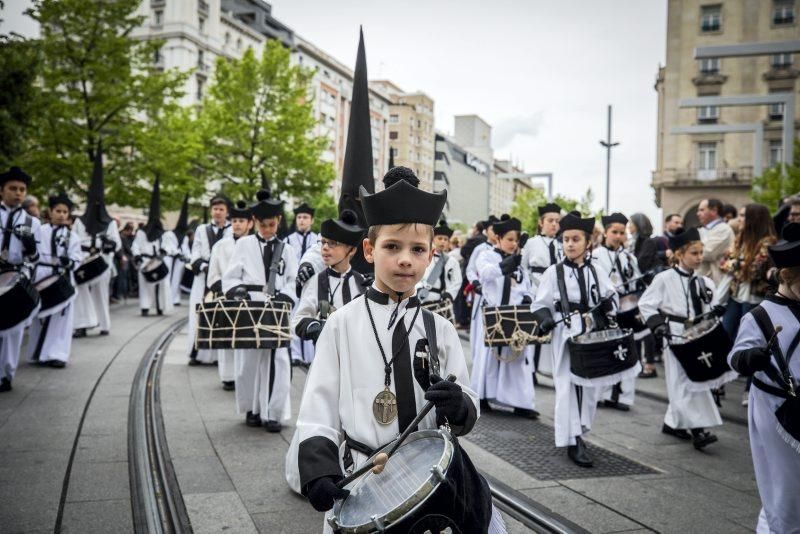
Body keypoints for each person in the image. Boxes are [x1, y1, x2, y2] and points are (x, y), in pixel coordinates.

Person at [293, 167, 501, 532]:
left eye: (417, 249)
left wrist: (458, 403)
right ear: (370, 250)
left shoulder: (442, 329)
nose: (405, 259)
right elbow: (318, 408)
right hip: (364, 479)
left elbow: (468, 404)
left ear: (430, 256)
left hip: (433, 481)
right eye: (393, 246)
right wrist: (318, 469)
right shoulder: (341, 324)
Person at [727, 222, 800, 534]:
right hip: (773, 406)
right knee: (782, 479)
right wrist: (750, 358)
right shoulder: (760, 315)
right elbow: (735, 356)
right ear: (788, 276)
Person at [533, 214, 618, 467]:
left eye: (575, 239)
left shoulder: (597, 271)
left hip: (591, 334)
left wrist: (605, 308)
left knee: (590, 387)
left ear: (587, 243)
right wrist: (545, 318)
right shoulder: (553, 272)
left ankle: (580, 429)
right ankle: (572, 439)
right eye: (566, 240)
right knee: (568, 385)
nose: (570, 244)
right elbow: (540, 303)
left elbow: (610, 297)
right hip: (566, 335)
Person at [638, 228, 726, 450]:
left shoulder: (704, 282)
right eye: (694, 253)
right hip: (675, 334)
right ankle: (698, 431)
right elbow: (646, 303)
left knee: (695, 379)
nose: (699, 258)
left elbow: (712, 304)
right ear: (679, 254)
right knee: (683, 381)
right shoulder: (664, 278)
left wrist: (715, 312)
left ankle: (672, 424)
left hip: (699, 335)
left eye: (700, 253)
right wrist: (657, 325)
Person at [222, 189, 297, 433]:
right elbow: (231, 276)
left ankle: (273, 413)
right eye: (263, 225)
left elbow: (293, 280)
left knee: (278, 361)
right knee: (248, 362)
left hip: (276, 309)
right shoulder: (243, 244)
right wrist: (238, 291)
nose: (267, 229)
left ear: (279, 222)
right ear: (255, 222)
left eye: (272, 225)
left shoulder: (286, 249)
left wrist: (285, 296)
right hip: (250, 307)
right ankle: (252, 409)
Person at [471, 215, 538, 418]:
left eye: (516, 240)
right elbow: (485, 274)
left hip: (515, 315)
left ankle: (521, 402)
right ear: (498, 238)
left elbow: (526, 283)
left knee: (517, 357)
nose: (513, 243)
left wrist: (527, 297)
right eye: (509, 239)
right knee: (489, 357)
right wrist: (506, 265)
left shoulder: (519, 261)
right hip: (495, 313)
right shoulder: (486, 255)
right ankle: (482, 396)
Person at [292, 209, 365, 349]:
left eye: (332, 243)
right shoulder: (316, 282)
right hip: (324, 360)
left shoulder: (361, 283)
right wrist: (314, 327)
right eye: (323, 242)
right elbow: (298, 319)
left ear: (351, 250)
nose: (325, 248)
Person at [591, 212, 643, 407]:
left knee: (627, 351)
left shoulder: (629, 257)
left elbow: (635, 278)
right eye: (615, 232)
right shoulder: (597, 255)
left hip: (628, 309)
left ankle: (624, 395)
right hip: (608, 310)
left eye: (622, 233)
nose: (619, 236)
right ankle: (601, 394)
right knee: (605, 351)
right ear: (606, 233)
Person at [26, 193, 82, 367]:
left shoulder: (72, 237)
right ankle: (38, 353)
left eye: (65, 212)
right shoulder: (40, 231)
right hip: (42, 277)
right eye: (58, 210)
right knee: (40, 317)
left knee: (61, 319)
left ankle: (57, 354)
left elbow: (77, 259)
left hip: (62, 279)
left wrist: (69, 261)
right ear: (50, 212)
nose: (62, 215)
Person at [0, 167, 41, 392]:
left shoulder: (32, 222)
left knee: (13, 328)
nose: (17, 193)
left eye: (22, 190)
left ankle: (6, 374)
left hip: (16, 274)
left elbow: (36, 258)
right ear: (2, 190)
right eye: (12, 188)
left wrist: (30, 245)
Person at [72, 154, 121, 337]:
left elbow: (116, 244)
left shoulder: (110, 223)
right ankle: (83, 323)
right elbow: (74, 241)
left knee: (101, 293)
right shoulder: (79, 222)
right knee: (82, 291)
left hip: (102, 261)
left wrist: (108, 244)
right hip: (84, 260)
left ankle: (104, 324)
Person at [206, 200, 252, 391]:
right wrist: (224, 288)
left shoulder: (253, 244)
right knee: (227, 336)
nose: (237, 224)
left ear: (249, 223)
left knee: (245, 337)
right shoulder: (220, 246)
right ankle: (227, 376)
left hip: (248, 297)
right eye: (234, 221)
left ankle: (243, 374)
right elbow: (213, 273)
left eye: (242, 221)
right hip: (226, 296)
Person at [718, 203, 777, 339]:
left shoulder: (767, 242)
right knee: (725, 335)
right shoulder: (740, 239)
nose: (739, 219)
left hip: (754, 299)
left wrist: (736, 265)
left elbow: (753, 272)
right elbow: (723, 264)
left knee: (745, 338)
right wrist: (742, 265)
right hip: (735, 295)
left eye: (743, 215)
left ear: (754, 218)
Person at [521, 203, 563, 379]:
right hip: (535, 288)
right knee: (532, 330)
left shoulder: (562, 244)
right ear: (541, 222)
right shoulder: (532, 242)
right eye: (550, 220)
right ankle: (530, 370)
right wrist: (527, 291)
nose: (554, 224)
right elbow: (523, 267)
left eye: (557, 221)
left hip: (554, 289)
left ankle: (547, 368)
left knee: (550, 328)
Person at [187, 195, 231, 364]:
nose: (218, 212)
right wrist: (205, 266)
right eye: (215, 209)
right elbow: (195, 252)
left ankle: (218, 357)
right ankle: (197, 353)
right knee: (198, 313)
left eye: (221, 209)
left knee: (221, 315)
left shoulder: (231, 230)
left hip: (223, 278)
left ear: (226, 212)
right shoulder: (201, 229)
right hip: (203, 277)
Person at [131, 178, 177, 317]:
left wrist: (164, 251)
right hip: (145, 261)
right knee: (145, 286)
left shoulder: (163, 234)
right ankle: (145, 307)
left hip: (158, 261)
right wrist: (137, 255)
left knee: (161, 285)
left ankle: (160, 307)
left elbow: (169, 246)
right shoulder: (141, 232)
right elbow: (135, 245)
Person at [416, 219, 462, 304]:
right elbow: (415, 274)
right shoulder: (422, 256)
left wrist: (449, 294)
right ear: (433, 239)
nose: (443, 241)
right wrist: (418, 288)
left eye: (445, 239)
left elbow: (457, 281)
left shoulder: (452, 261)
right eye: (440, 238)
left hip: (441, 301)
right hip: (421, 297)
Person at [696, 198, 735, 285]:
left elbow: (708, 253)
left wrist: (691, 250)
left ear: (714, 211)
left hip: (716, 282)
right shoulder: (702, 229)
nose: (698, 214)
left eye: (702, 210)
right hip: (703, 280)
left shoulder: (723, 229)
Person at [169, 195, 191, 307]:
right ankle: (169, 299)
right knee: (170, 279)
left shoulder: (185, 237)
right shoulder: (170, 234)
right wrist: (177, 253)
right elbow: (170, 247)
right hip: (171, 260)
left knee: (177, 280)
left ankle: (175, 298)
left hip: (180, 261)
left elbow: (185, 248)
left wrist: (188, 257)